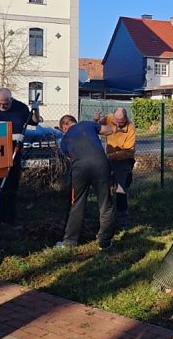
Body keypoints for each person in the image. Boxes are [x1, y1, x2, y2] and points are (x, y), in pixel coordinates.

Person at [57, 114, 116, 250]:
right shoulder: (87, 124)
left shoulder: (64, 140)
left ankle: (69, 242)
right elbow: (109, 130)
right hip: (101, 165)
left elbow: (70, 158)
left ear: (64, 127)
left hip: (80, 170)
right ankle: (104, 242)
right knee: (105, 203)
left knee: (76, 203)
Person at [0, 88, 40, 224]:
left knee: (11, 185)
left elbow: (34, 121)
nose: (2, 106)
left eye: (5, 104)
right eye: (0, 104)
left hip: (15, 152)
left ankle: (9, 217)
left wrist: (36, 110)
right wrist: (11, 136)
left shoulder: (20, 108)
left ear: (11, 100)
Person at [93, 107, 136, 228]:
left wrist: (109, 156)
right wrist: (95, 120)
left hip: (123, 161)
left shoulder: (130, 128)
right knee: (107, 188)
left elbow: (128, 151)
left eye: (120, 122)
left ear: (126, 118)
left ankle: (123, 219)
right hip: (109, 160)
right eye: (116, 121)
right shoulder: (109, 118)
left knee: (121, 190)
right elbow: (96, 128)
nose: (117, 124)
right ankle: (107, 218)